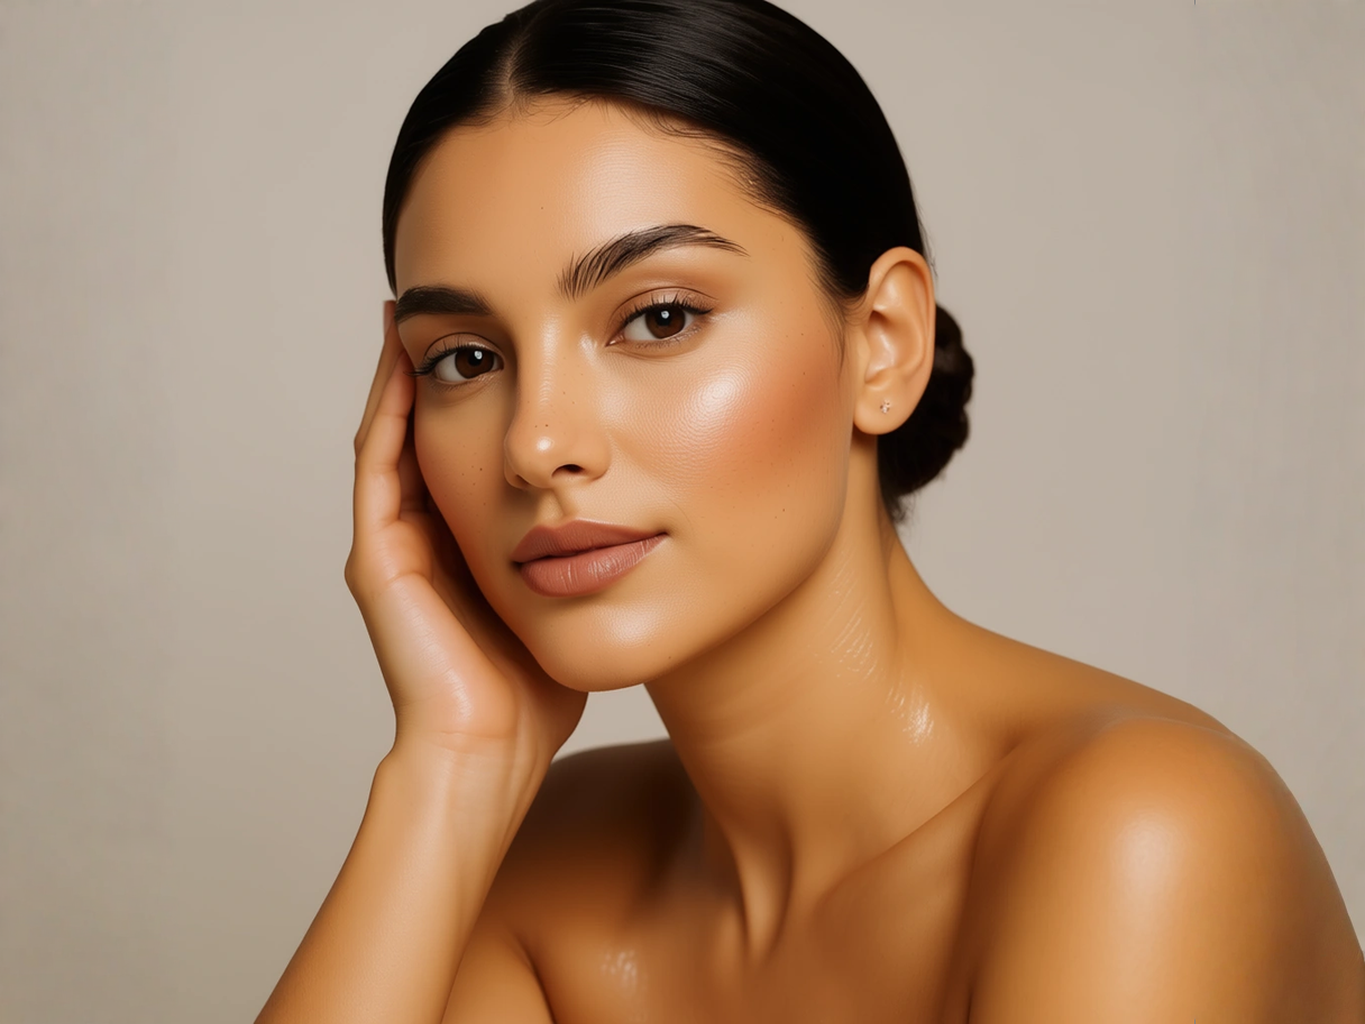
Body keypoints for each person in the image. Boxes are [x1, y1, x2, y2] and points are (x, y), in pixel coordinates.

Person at [256, 0, 1365, 1020]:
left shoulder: (1143, 830)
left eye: (658, 319)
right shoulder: (546, 864)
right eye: (465, 357)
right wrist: (451, 767)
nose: (538, 442)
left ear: (883, 344)